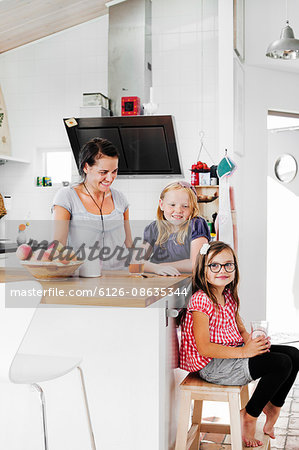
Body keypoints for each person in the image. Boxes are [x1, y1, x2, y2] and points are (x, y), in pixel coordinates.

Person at [179, 241, 299, 447]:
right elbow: (204, 348)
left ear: (235, 268)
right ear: (203, 270)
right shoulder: (201, 301)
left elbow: (241, 329)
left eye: (228, 265)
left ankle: (272, 406)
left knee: (294, 354)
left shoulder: (228, 295)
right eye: (214, 265)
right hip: (213, 366)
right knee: (280, 363)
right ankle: (249, 416)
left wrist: (252, 342)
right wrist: (246, 352)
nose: (222, 270)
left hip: (232, 353)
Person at [52, 137, 133, 269]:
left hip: (120, 278)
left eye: (114, 171)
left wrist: (140, 272)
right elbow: (58, 246)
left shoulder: (120, 198)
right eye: (103, 172)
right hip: (83, 279)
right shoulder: (67, 197)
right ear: (86, 167)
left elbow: (129, 243)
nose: (110, 178)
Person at [143, 181, 210, 276]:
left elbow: (196, 264)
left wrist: (162, 266)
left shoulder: (196, 225)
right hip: (159, 283)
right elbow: (135, 262)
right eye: (172, 205)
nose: (178, 210)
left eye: (185, 206)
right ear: (161, 205)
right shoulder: (154, 228)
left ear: (193, 208)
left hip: (189, 285)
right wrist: (156, 268)